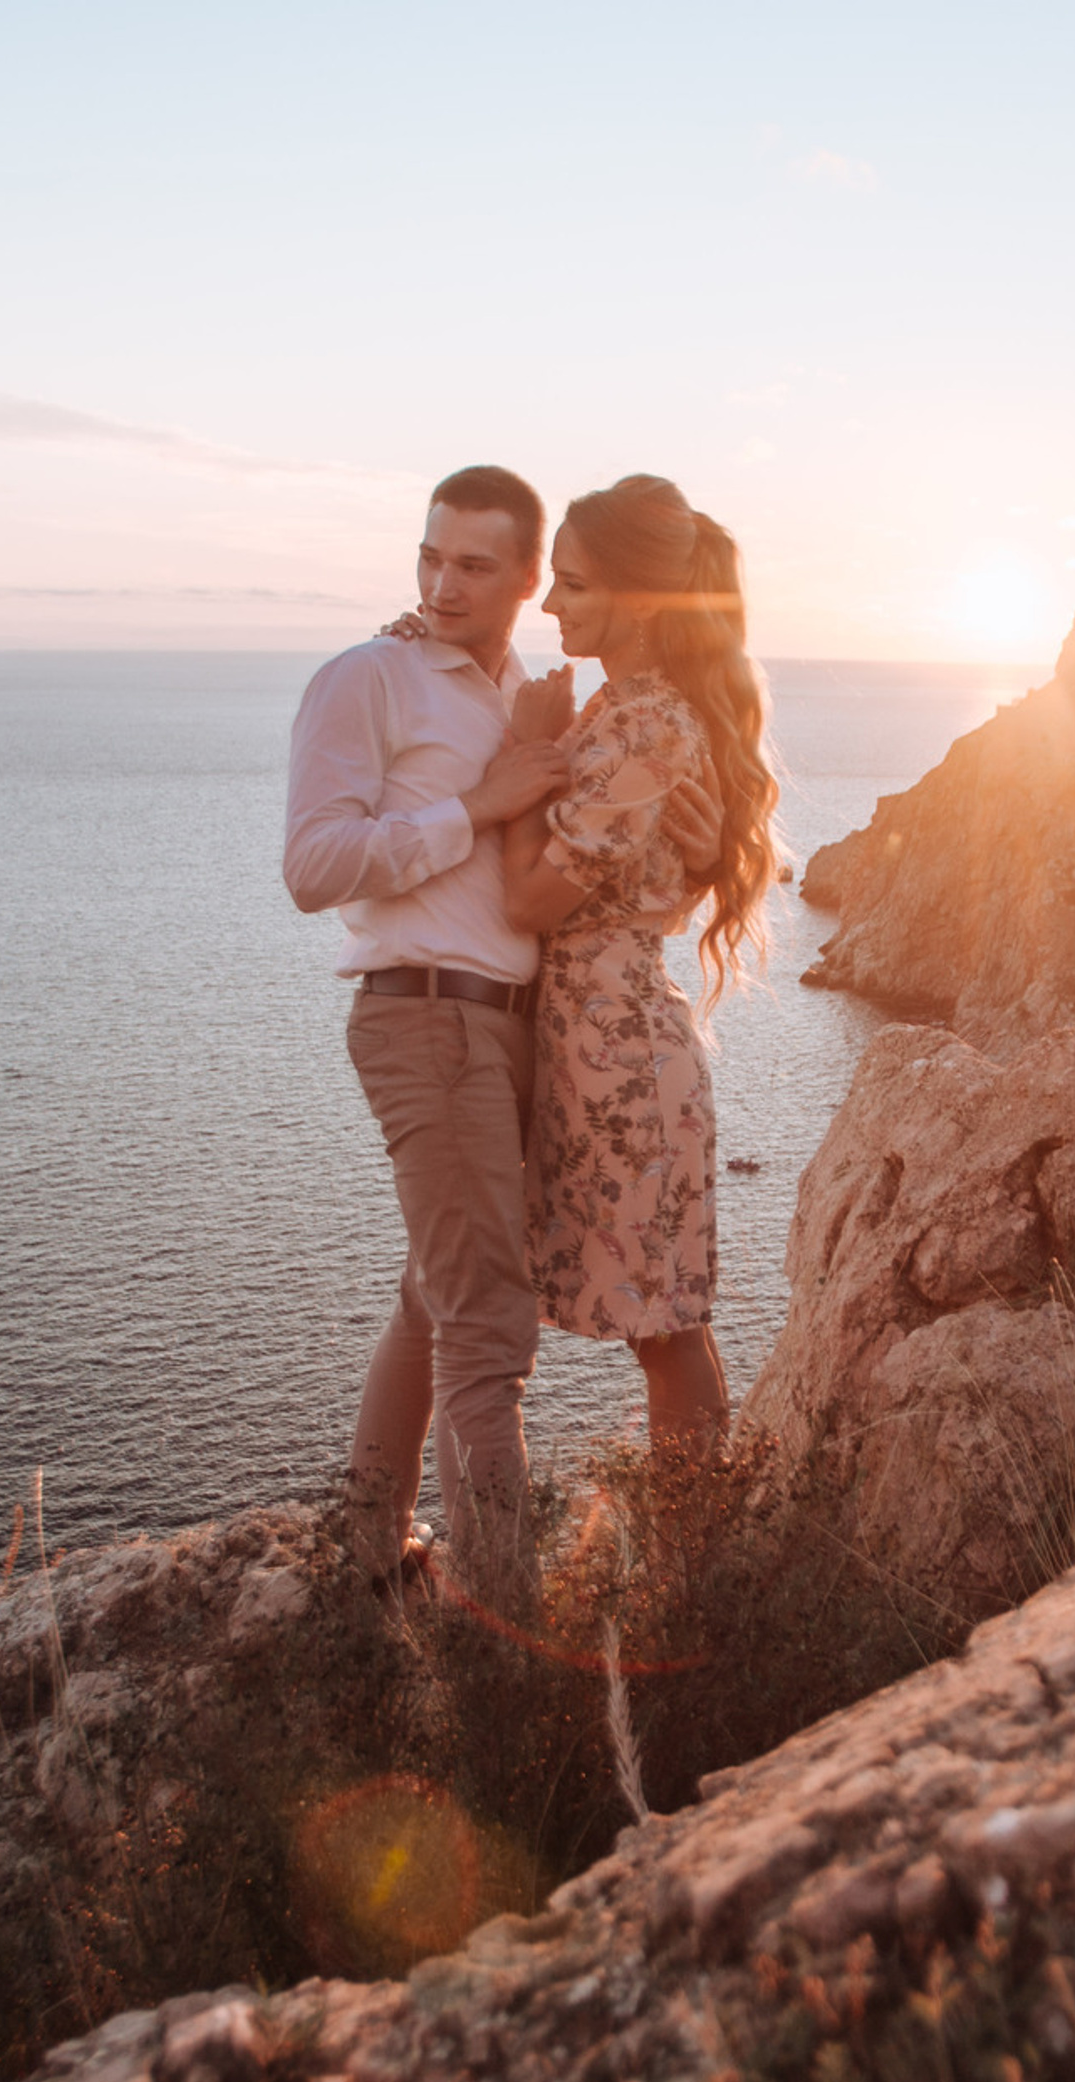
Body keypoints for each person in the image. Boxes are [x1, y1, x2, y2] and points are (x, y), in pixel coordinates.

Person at [282, 466, 717, 1598]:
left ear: (529, 582)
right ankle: (502, 1632)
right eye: (428, 557)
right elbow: (312, 867)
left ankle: (370, 1556)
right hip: (425, 1014)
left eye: (475, 565)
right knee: (486, 1327)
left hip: (530, 1031)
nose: (440, 583)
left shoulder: (532, 692)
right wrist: (476, 804)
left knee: (434, 1296)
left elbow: (623, 827)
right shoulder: (368, 676)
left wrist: (702, 831)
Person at [498, 475, 779, 1454]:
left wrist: (523, 763)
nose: (548, 606)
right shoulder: (619, 707)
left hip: (621, 1060)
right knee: (659, 1327)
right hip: (590, 1051)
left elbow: (529, 900)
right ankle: (689, 1568)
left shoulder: (649, 723)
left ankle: (694, 1575)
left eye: (572, 585)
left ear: (644, 595)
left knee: (665, 1332)